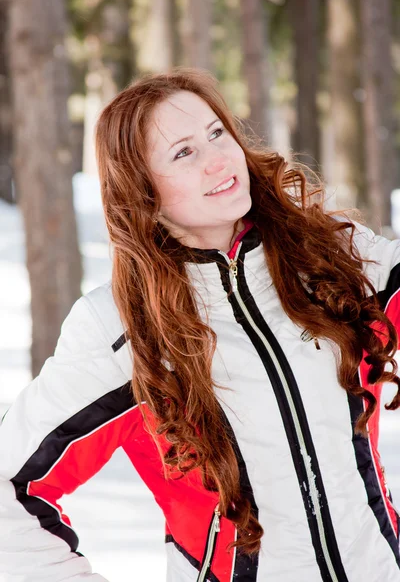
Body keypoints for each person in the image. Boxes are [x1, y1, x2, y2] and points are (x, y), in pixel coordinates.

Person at [1, 67, 400, 582]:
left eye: (217, 133)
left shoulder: (334, 261)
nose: (218, 159)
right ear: (141, 190)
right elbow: (11, 485)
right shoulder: (123, 329)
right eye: (184, 153)